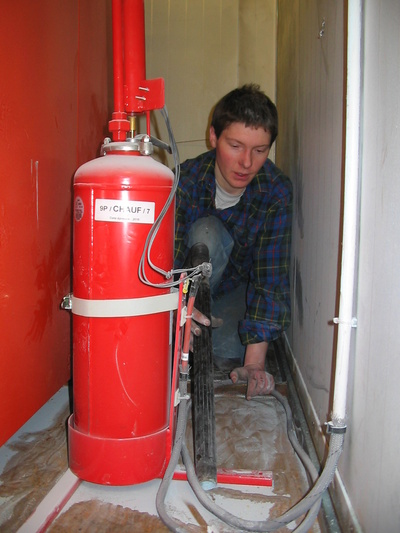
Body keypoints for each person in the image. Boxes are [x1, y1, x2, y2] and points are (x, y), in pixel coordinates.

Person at [174, 84, 292, 399]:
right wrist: (175, 310)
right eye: (236, 145)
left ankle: (197, 335)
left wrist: (254, 364)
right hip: (185, 295)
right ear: (213, 137)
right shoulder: (185, 182)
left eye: (260, 150)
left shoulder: (275, 192)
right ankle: (182, 330)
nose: (246, 163)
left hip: (234, 295)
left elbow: (270, 279)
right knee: (206, 234)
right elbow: (166, 264)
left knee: (229, 349)